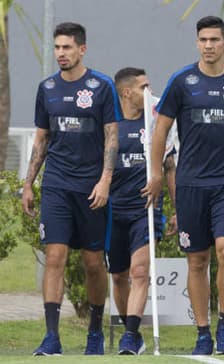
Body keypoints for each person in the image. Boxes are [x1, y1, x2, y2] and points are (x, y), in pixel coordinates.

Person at [142, 15, 224, 355]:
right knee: (197, 261)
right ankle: (203, 331)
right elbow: (160, 130)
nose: (208, 45)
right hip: (191, 183)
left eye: (214, 40)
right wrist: (158, 173)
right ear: (197, 43)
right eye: (203, 40)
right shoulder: (182, 81)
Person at [22, 22, 120, 356]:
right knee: (55, 256)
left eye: (67, 47)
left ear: (82, 49)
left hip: (91, 188)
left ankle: (95, 332)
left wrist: (106, 180)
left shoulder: (102, 86)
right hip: (57, 186)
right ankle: (52, 337)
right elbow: (41, 139)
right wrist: (29, 183)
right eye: (57, 47)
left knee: (93, 262)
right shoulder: (46, 88)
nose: (61, 53)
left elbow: (112, 136)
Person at [109, 67, 178, 355]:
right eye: (143, 87)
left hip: (145, 210)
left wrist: (178, 209)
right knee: (118, 276)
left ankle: (130, 335)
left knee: (140, 272)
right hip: (113, 210)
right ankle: (130, 330)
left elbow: (170, 167)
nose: (149, 91)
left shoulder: (155, 122)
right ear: (126, 92)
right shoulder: (109, 122)